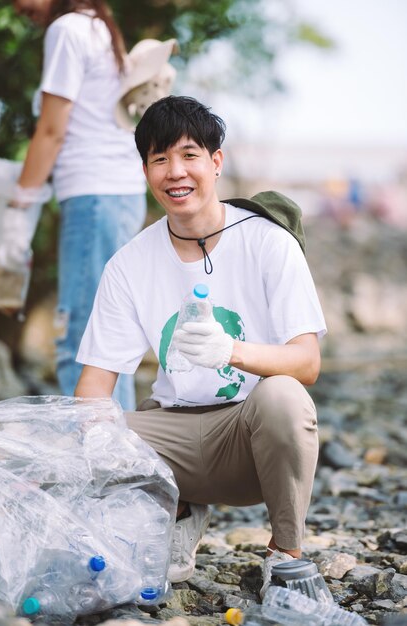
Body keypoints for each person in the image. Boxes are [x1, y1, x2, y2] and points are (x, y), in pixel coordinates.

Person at [74, 95, 327, 597]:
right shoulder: (129, 263)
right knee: (83, 433)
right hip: (174, 437)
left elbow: (307, 362)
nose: (175, 172)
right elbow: (94, 387)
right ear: (145, 168)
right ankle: (179, 509)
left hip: (252, 440)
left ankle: (287, 555)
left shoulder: (268, 242)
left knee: (283, 394)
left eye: (189, 155)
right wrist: (79, 452)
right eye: (159, 158)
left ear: (216, 161)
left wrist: (232, 351)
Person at [10, 0, 148, 409]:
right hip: (117, 195)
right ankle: (118, 458)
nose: (17, 6)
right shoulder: (98, 26)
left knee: (83, 341)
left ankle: (100, 464)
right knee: (106, 336)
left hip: (94, 197)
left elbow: (51, 130)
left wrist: (20, 208)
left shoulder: (68, 29)